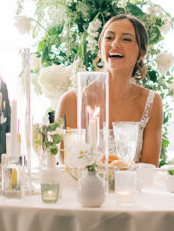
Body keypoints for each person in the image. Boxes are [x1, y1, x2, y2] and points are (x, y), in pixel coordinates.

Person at [57, 14, 163, 166]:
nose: (115, 44)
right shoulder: (71, 101)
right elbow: (68, 165)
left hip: (131, 188)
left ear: (141, 53)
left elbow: (149, 166)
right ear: (100, 49)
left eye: (126, 39)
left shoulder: (151, 102)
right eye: (109, 38)